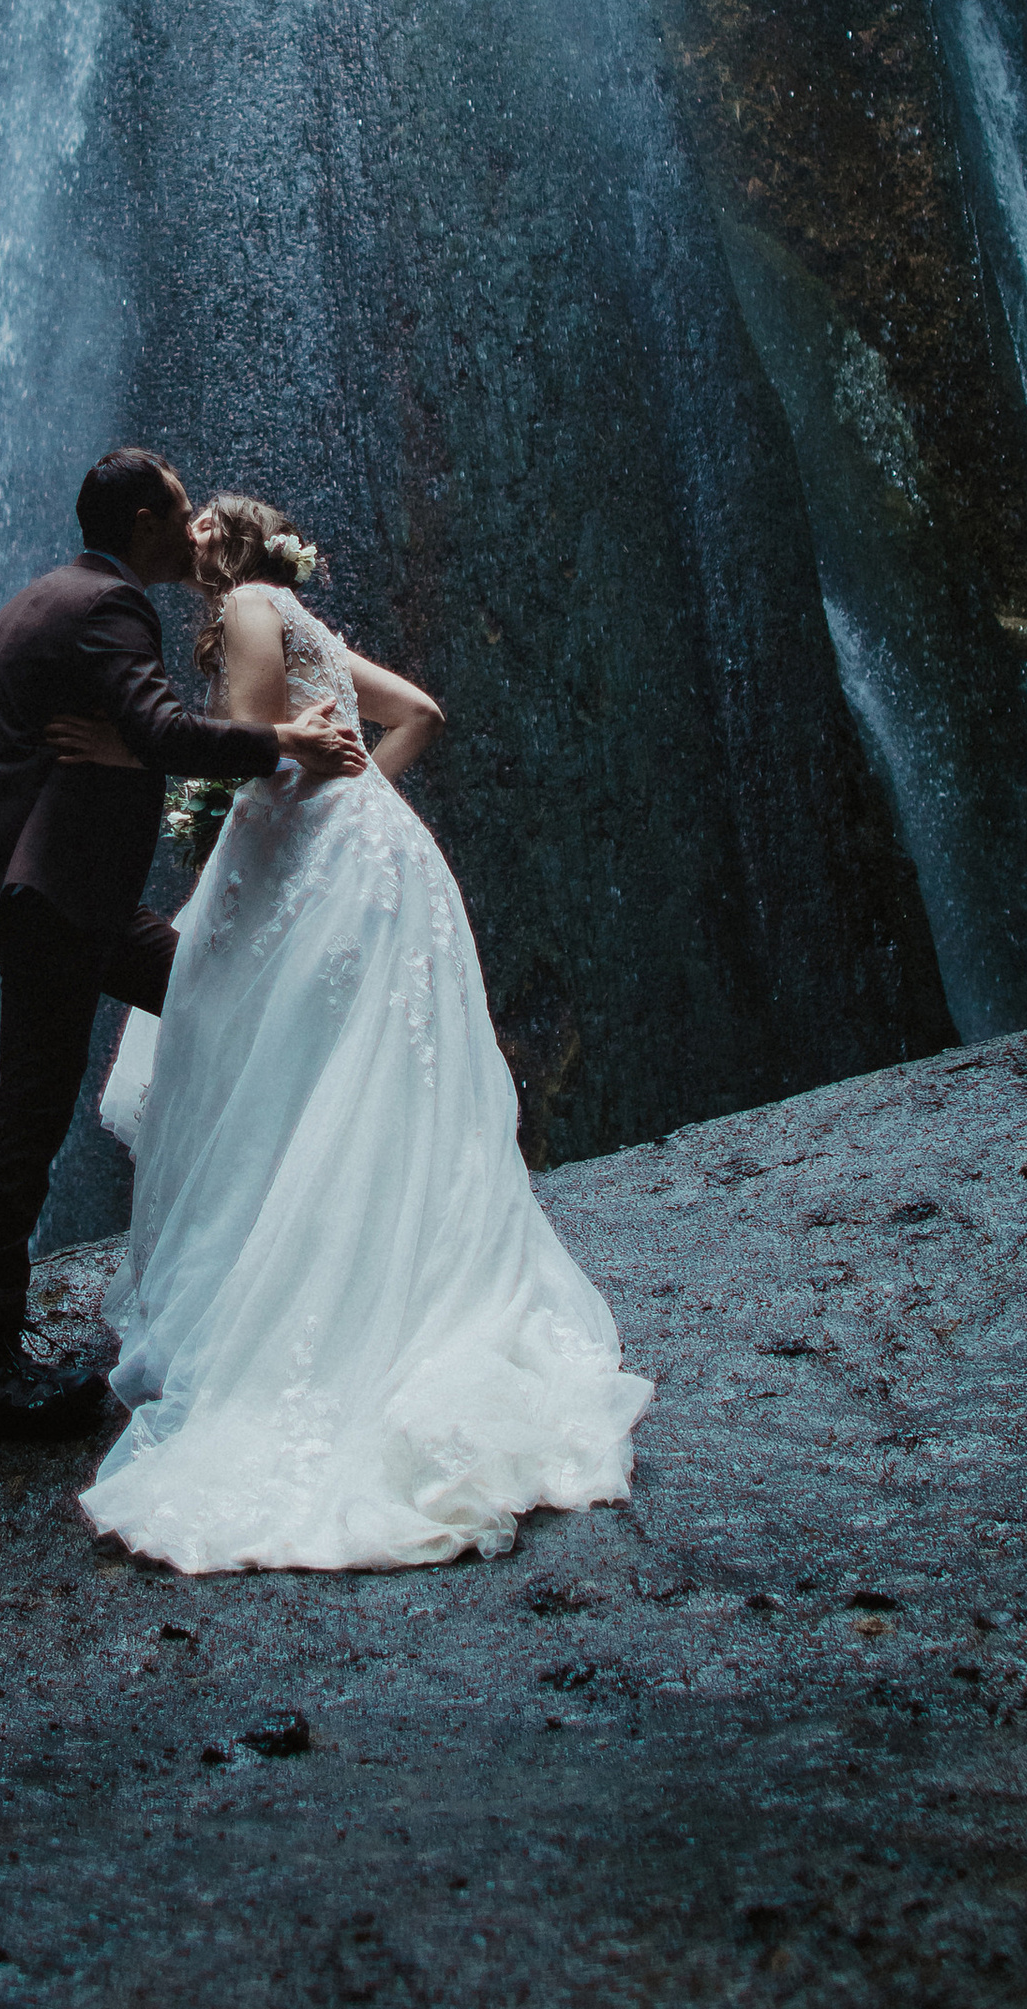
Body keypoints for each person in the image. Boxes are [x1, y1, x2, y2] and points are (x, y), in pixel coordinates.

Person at [79, 492, 653, 1570]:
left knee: (274, 1070)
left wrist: (238, 805)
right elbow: (421, 713)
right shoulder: (304, 619)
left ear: (230, 545)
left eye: (201, 521)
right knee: (369, 1078)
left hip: (318, 863)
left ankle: (300, 1291)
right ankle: (390, 1266)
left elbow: (244, 747)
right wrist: (359, 802)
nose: (188, 528)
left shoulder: (250, 607)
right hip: (389, 863)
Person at [0, 448, 367, 1442]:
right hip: (62, 905)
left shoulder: (33, 601)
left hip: (62, 900)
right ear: (145, 522)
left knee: (218, 997)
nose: (194, 521)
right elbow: (160, 731)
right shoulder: (110, 607)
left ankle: (263, 1249)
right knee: (31, 1117)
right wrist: (286, 741)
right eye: (180, 505)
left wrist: (1, 893)